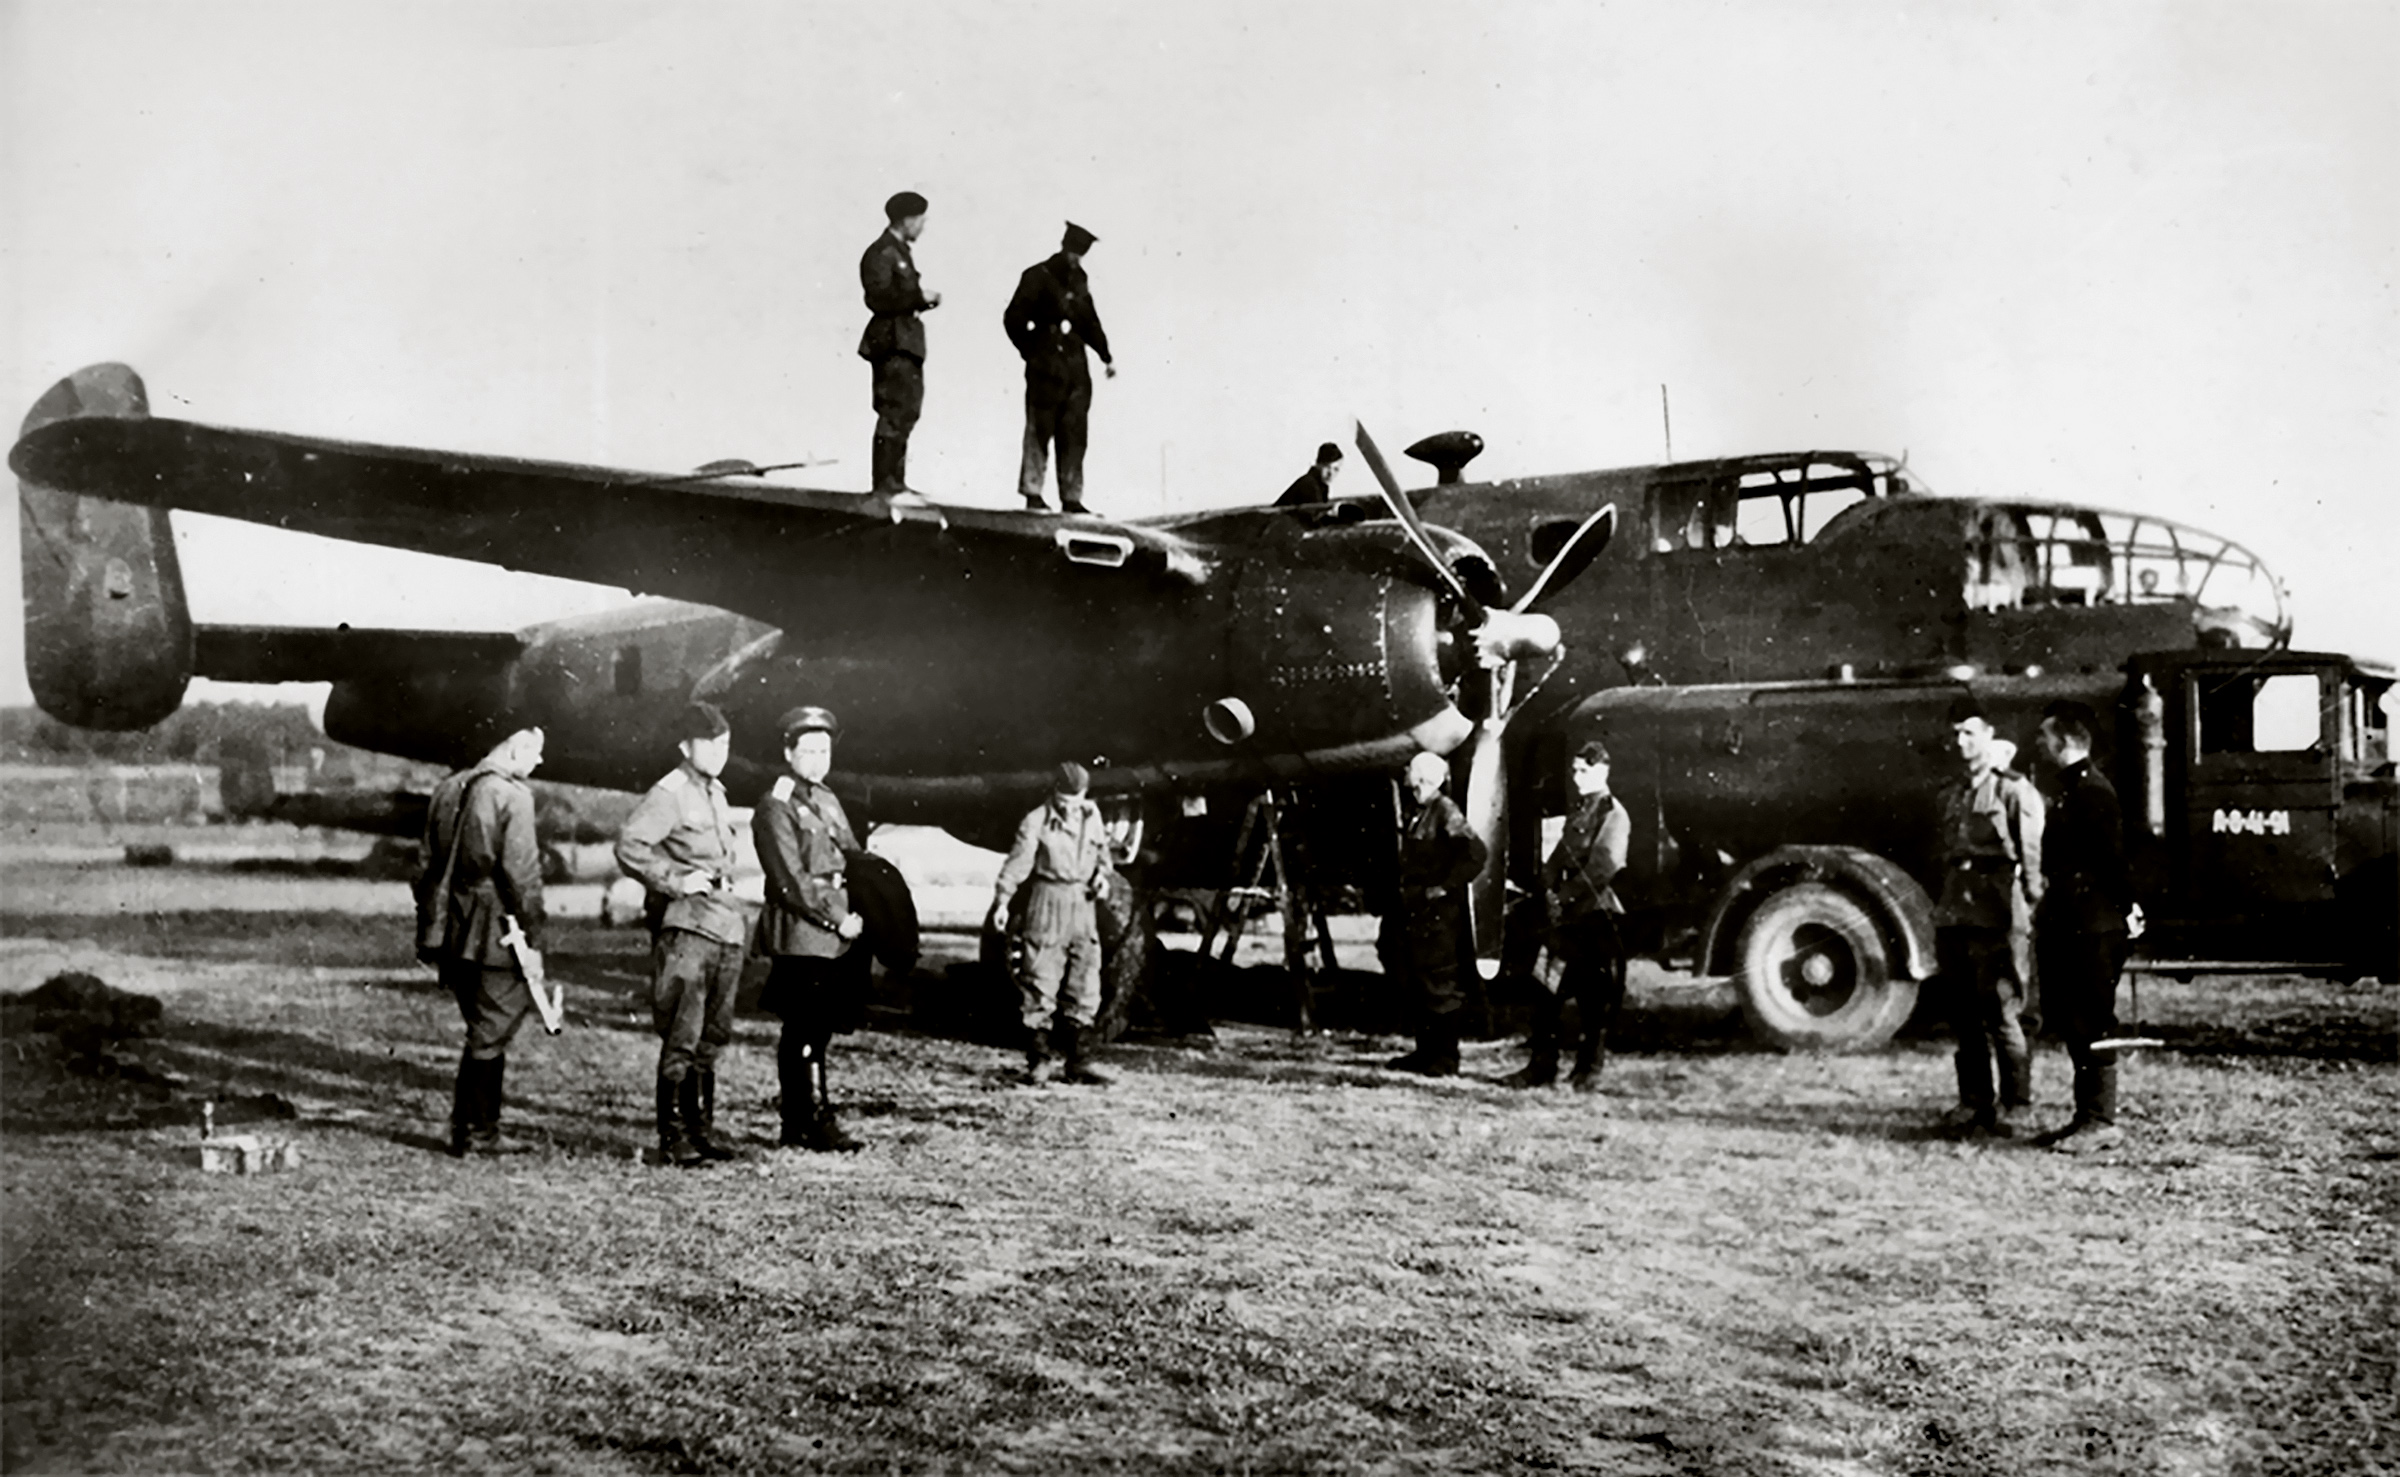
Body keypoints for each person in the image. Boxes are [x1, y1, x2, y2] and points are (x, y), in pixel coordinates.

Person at [615, 702, 748, 1166]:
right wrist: (674, 880)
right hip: (689, 927)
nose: (718, 753)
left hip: (723, 924)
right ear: (685, 747)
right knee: (683, 1035)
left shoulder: (716, 793)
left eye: (725, 744)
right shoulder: (669, 793)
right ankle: (673, 1138)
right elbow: (631, 844)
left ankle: (700, 1131)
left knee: (712, 1036)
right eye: (709, 744)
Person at [416, 722, 548, 1157]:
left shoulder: (447, 789)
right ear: (513, 750)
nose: (540, 761)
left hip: (451, 927)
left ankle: (469, 1128)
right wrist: (534, 930)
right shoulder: (513, 796)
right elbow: (521, 874)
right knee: (492, 1027)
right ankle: (478, 1132)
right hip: (496, 928)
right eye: (535, 752)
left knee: (481, 1023)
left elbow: (424, 866)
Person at [752, 705, 870, 1153]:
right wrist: (837, 918)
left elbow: (851, 855)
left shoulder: (826, 798)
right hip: (805, 928)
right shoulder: (775, 805)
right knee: (804, 1027)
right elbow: (791, 878)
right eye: (809, 750)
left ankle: (808, 1119)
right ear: (788, 752)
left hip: (835, 929)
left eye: (825, 750)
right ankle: (807, 1121)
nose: (819, 759)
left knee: (819, 1027)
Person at [1931, 694, 2046, 1138]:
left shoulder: (2013, 789)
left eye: (1970, 734)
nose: (1962, 743)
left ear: (1989, 736)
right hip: (1957, 911)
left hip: (1999, 913)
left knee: (2003, 1011)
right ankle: (1974, 1101)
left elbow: (2031, 857)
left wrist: (2028, 903)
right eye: (1956, 734)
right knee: (1964, 1015)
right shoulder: (1953, 793)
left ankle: (2016, 1103)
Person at [2030, 699, 2136, 1154]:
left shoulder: (2093, 791)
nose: (2037, 745)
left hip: (2093, 923)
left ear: (2066, 742)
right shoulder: (2073, 788)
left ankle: (2100, 1120)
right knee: (2077, 1019)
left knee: (2092, 1018)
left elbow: (2112, 861)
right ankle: (2085, 1118)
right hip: (2075, 919)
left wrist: (2128, 906)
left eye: (2043, 738)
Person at [1504, 740, 1629, 1093]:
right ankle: (1541, 1067)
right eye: (1574, 770)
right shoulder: (1579, 812)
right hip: (1564, 920)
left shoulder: (1612, 814)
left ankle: (1587, 1071)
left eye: (1584, 771)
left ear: (1603, 772)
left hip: (1594, 918)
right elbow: (1559, 856)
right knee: (1544, 989)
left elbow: (1605, 865)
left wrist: (1563, 896)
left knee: (1593, 1000)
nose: (1576, 778)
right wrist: (1544, 885)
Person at [988, 762, 1114, 1085]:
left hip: (1083, 902)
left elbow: (1104, 857)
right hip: (1048, 899)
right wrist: (1002, 901)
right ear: (1056, 793)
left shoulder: (1092, 814)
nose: (1073, 807)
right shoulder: (1035, 821)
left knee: (1086, 982)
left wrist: (1102, 877)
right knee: (1040, 981)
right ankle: (1039, 1061)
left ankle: (1079, 1061)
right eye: (1067, 800)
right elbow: (1017, 865)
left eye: (1079, 799)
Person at [1381, 750, 1489, 1077]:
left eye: (1410, 771)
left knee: (1440, 982)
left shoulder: (1444, 811)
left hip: (1438, 914)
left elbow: (1475, 853)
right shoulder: (1422, 810)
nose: (1405, 774)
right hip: (1417, 911)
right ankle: (1425, 1053)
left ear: (1423, 777)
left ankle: (1445, 1058)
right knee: (1419, 981)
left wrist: (1445, 886)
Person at [1004, 221, 1115, 513]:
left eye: (1081, 254)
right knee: (1040, 429)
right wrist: (1032, 351)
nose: (1076, 258)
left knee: (1075, 432)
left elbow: (1089, 320)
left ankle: (1071, 497)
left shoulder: (1080, 280)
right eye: (1074, 251)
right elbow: (1013, 318)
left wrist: (1105, 354)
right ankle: (1033, 493)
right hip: (1046, 368)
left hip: (1076, 370)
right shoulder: (1037, 276)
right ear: (1064, 246)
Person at [859, 190, 942, 497]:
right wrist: (920, 298)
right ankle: (885, 483)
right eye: (920, 220)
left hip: (904, 342)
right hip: (892, 341)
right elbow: (877, 297)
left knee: (906, 409)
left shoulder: (898, 252)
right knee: (894, 409)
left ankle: (895, 481)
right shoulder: (882, 252)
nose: (922, 226)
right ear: (907, 220)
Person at [1274, 443, 1345, 507]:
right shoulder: (1310, 485)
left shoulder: (1319, 485)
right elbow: (1317, 517)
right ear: (1318, 464)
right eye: (1327, 467)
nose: (1331, 473)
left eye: (1336, 469)